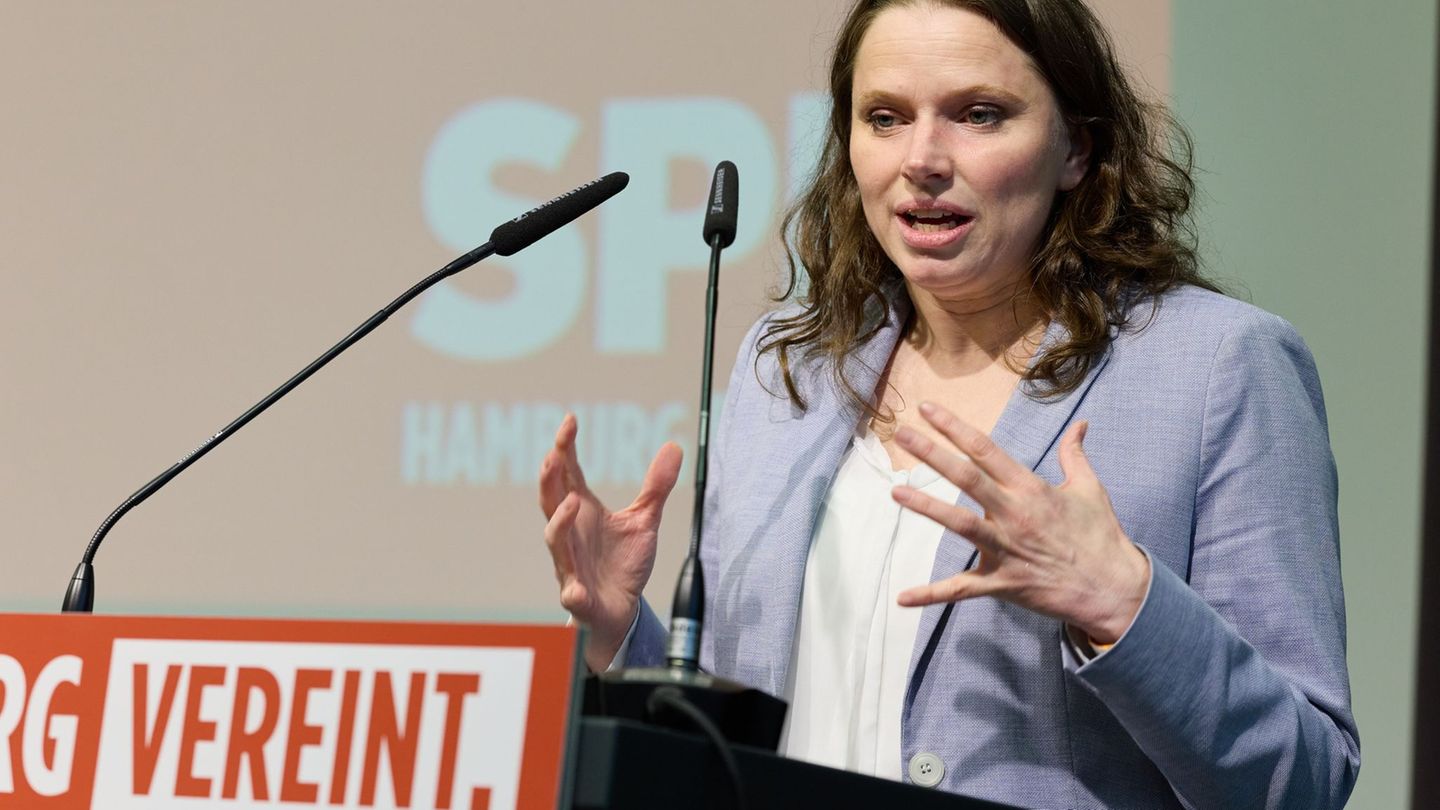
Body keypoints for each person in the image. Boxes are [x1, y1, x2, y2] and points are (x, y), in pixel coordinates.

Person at [537, 0, 1360, 807]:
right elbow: (733, 729)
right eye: (886, 117)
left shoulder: (1219, 366)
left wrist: (1126, 605)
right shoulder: (789, 366)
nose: (922, 159)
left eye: (978, 114)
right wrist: (626, 635)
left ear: (1077, 147)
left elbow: (1306, 780)